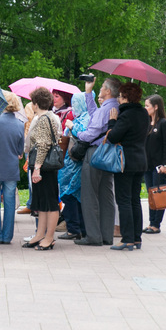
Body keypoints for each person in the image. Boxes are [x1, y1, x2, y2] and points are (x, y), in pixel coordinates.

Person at [66, 78, 120, 246]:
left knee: (89, 195)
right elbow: (94, 114)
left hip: (95, 153)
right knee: (106, 194)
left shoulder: (106, 109)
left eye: (102, 87)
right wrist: (88, 92)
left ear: (108, 91)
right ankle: (106, 235)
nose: (101, 89)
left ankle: (93, 236)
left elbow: (90, 133)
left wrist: (74, 129)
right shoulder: (112, 107)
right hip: (108, 154)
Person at [106, 83, 148, 250]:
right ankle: (136, 238)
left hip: (125, 162)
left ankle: (127, 239)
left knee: (123, 200)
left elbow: (113, 137)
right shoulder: (143, 113)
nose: (118, 99)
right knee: (135, 200)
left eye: (120, 96)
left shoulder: (126, 115)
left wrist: (112, 122)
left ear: (125, 97)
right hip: (141, 160)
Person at [22, 87, 62, 250]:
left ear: (36, 103)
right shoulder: (49, 117)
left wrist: (37, 168)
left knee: (50, 203)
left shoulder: (44, 118)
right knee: (43, 203)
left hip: (44, 166)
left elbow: (43, 144)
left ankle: (49, 237)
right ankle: (40, 235)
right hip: (44, 165)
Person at [0, 91, 24, 245]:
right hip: (11, 167)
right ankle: (7, 236)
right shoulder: (20, 124)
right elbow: (20, 149)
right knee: (9, 203)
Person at [57, 92, 92, 240]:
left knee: (71, 194)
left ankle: (75, 229)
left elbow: (84, 136)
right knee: (73, 195)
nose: (74, 106)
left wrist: (72, 127)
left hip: (75, 163)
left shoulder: (86, 118)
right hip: (70, 163)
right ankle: (78, 229)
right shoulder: (81, 117)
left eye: (76, 102)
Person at [143, 95, 166, 234]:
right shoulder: (147, 123)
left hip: (158, 166)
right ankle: (151, 222)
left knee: (158, 195)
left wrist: (165, 165)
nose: (145, 108)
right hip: (147, 165)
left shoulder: (164, 124)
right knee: (150, 194)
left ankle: (156, 224)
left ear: (156, 107)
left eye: (147, 105)